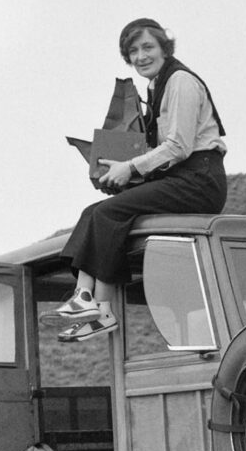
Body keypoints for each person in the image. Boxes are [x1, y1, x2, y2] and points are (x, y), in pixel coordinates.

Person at [56, 18, 228, 341]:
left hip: (200, 179)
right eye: (132, 51)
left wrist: (131, 168)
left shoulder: (180, 82)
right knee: (95, 212)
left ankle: (94, 306)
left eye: (147, 47)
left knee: (109, 213)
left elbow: (178, 146)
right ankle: (90, 303)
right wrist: (118, 169)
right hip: (180, 175)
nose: (140, 56)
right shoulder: (155, 86)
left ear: (164, 47)